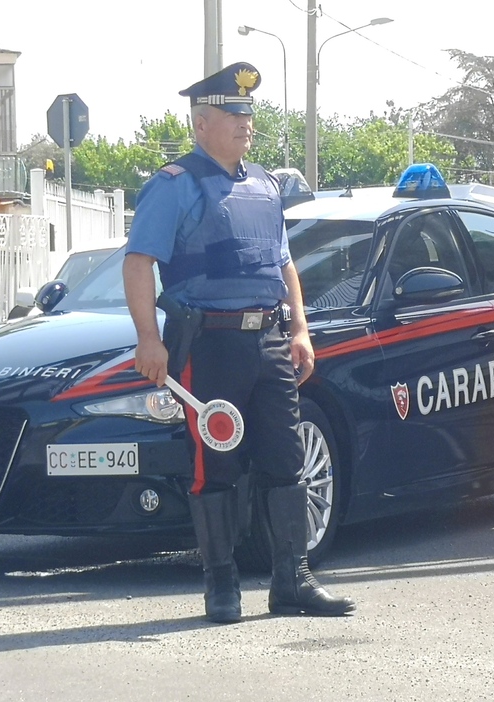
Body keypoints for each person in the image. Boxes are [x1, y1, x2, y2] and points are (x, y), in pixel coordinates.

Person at [122, 63, 355, 622]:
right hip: (211, 346)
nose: (246, 123)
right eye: (234, 114)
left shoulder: (266, 185)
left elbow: (283, 261)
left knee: (286, 459)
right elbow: (137, 263)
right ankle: (221, 585)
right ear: (202, 123)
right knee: (215, 466)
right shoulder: (174, 185)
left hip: (269, 341)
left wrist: (299, 328)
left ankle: (292, 580)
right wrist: (148, 341)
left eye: (249, 114)